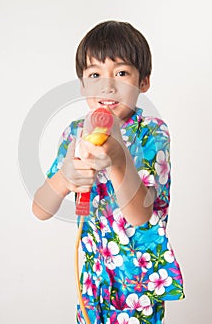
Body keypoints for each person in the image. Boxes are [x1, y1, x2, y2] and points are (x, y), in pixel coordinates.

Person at [32, 21, 185, 324]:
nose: (107, 85)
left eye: (121, 73)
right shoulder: (75, 133)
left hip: (137, 287)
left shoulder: (151, 134)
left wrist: (119, 161)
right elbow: (40, 209)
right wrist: (64, 178)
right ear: (82, 84)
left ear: (143, 82)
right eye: (94, 74)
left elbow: (141, 216)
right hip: (92, 285)